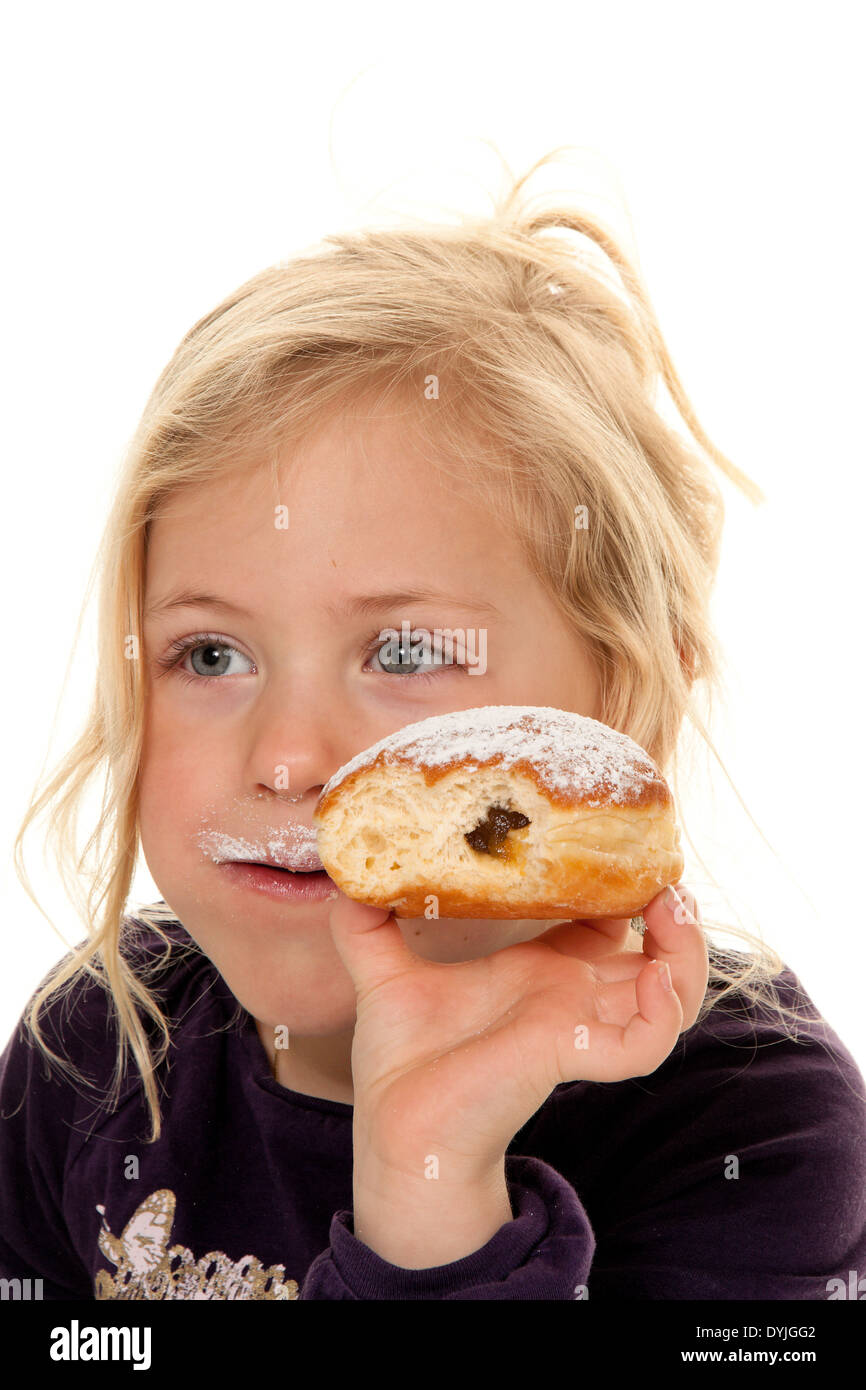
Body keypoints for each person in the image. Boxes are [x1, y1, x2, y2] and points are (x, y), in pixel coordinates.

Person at [2, 151, 864, 1300]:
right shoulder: (95, 1053)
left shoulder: (754, 1128)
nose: (287, 755)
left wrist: (431, 1191)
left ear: (622, 705)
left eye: (403, 652)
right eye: (211, 654)